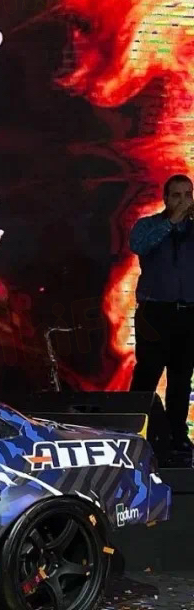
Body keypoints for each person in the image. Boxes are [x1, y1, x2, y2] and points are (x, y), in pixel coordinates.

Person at [129, 173, 194, 464]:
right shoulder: (148, 225)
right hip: (154, 313)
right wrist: (172, 222)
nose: (184, 201)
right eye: (177, 195)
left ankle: (177, 436)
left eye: (188, 195)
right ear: (165, 199)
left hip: (188, 313)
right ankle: (133, 433)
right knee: (147, 374)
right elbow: (138, 245)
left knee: (181, 378)